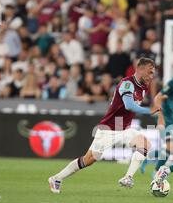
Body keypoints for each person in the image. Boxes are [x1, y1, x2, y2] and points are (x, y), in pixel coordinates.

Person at [48, 57, 163, 193]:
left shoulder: (144, 87)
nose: (152, 76)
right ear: (140, 69)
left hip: (124, 128)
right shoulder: (127, 84)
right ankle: (56, 178)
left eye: (153, 72)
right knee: (89, 159)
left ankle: (128, 177)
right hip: (109, 129)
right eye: (150, 72)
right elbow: (129, 105)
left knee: (144, 144)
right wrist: (149, 111)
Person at [140, 61, 173, 175]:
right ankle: (156, 172)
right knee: (172, 147)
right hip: (165, 117)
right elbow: (157, 98)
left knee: (172, 149)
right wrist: (160, 117)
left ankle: (150, 160)